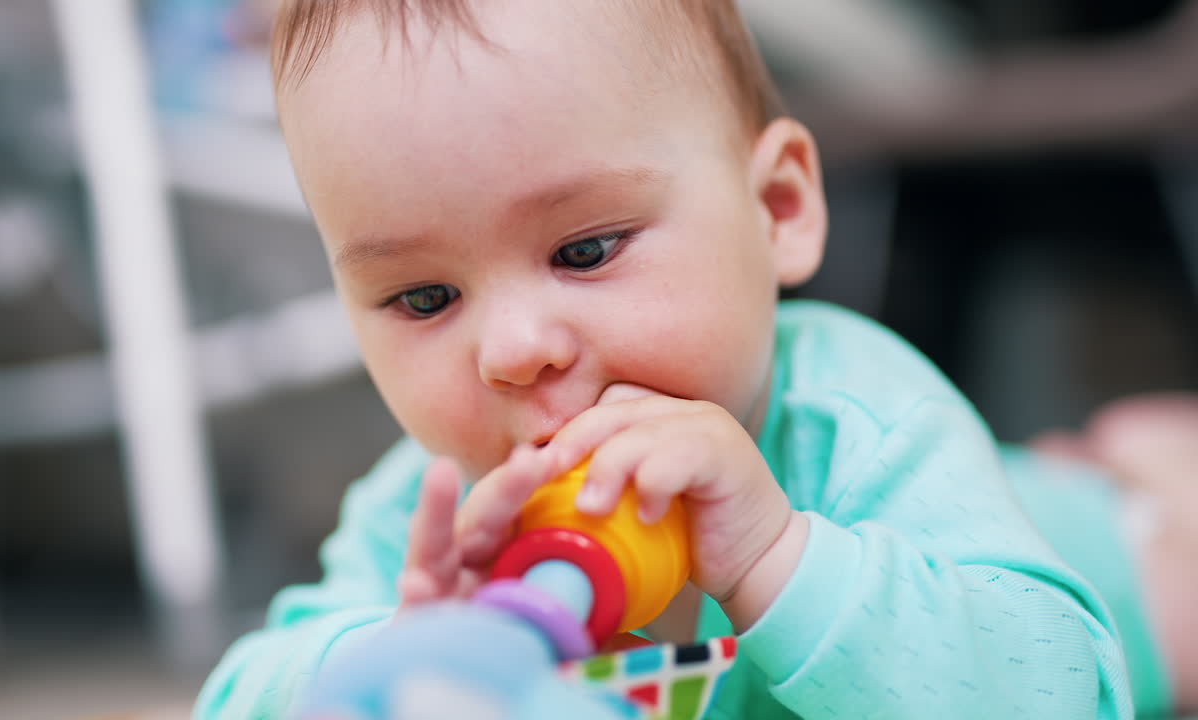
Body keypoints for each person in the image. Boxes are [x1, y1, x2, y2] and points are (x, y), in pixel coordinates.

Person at [195, 1, 1194, 717]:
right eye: (422, 298)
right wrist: (397, 654)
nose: (509, 353)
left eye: (584, 251)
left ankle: (1146, 471)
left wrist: (773, 559)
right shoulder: (434, 517)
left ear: (777, 210)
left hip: (1117, 566)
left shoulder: (855, 420)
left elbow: (1058, 687)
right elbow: (238, 696)